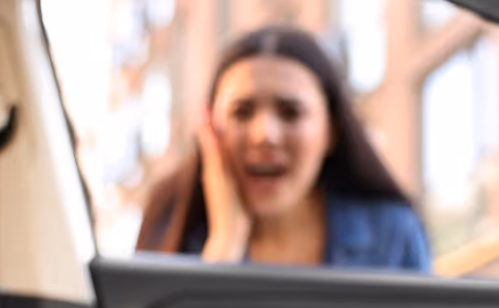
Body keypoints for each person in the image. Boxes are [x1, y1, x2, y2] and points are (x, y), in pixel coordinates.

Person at [136, 26, 432, 271]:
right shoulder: (172, 238)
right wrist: (224, 246)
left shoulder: (393, 235)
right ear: (210, 129)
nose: (265, 135)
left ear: (331, 132)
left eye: (290, 112)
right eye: (242, 111)